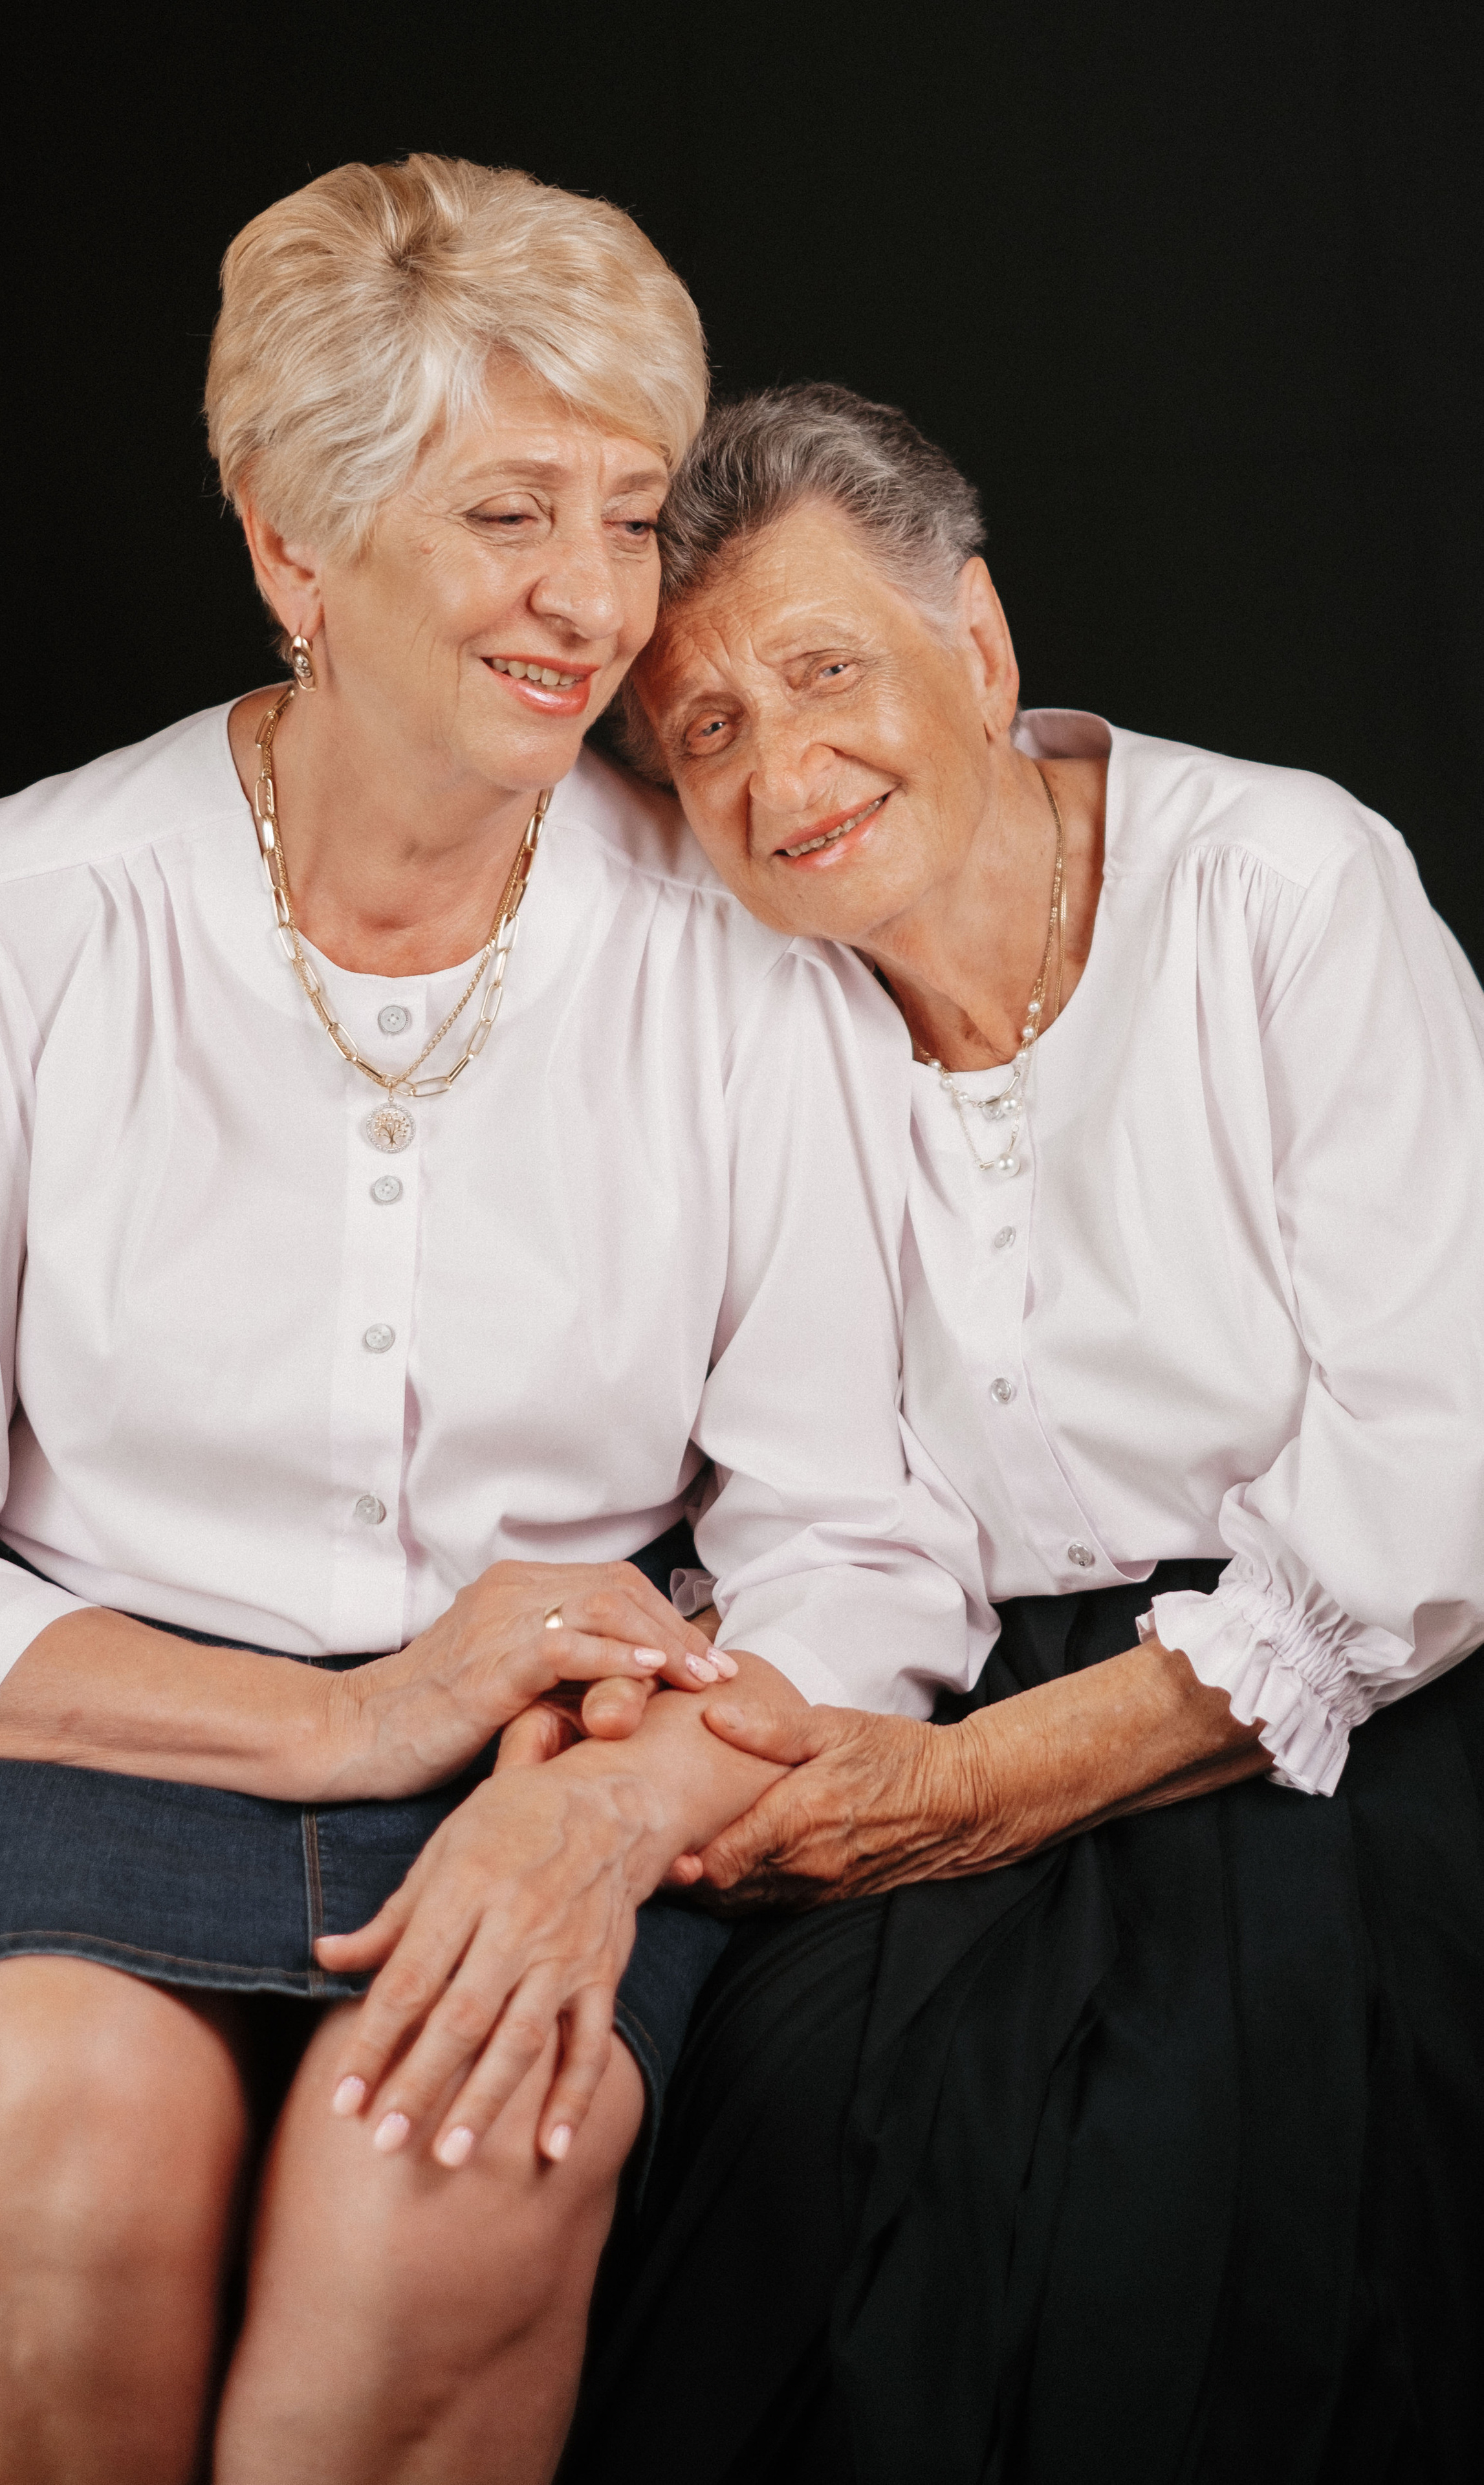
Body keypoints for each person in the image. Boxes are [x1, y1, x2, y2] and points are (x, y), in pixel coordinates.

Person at [0, 191, 955, 2484]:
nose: (593, 599)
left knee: (445, 2174)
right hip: (94, 1721)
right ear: (294, 550)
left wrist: (616, 1808)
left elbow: (863, 1533)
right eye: (507, 513)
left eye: (630, 517)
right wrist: (353, 1719)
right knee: (63, 2136)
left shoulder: (744, 969)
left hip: (559, 1761)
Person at [559, 385, 1484, 2484]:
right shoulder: (742, 995)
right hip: (936, 1672)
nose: (783, 773)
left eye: (822, 671)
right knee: (796, 2123)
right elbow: (772, 1483)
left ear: (974, 647)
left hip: (1350, 1696)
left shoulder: (1291, 883)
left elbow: (1435, 1484)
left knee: (1201, 2163)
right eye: (704, 732)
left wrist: (965, 1792)